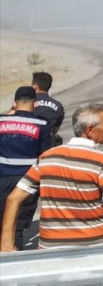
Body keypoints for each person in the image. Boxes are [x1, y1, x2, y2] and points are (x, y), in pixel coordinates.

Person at [0, 103, 103, 251]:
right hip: (95, 248)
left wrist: (6, 243)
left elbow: (14, 198)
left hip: (50, 249)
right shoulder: (102, 160)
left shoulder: (46, 158)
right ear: (90, 130)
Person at [0, 86, 50, 250]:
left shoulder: (1, 121)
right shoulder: (42, 124)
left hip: (2, 178)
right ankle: (15, 256)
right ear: (35, 104)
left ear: (14, 103)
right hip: (27, 181)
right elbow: (45, 156)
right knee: (18, 222)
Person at [32, 71, 65, 147]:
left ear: (35, 86)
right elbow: (56, 128)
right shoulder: (58, 106)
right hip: (49, 145)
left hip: (28, 142)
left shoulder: (27, 103)